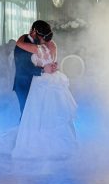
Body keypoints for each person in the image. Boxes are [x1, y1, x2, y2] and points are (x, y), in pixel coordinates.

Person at [12, 22, 77, 160]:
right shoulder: (42, 45)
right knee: (29, 114)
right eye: (42, 37)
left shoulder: (37, 45)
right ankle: (25, 140)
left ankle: (31, 143)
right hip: (25, 83)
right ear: (35, 33)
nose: (43, 40)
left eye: (45, 37)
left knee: (41, 114)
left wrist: (45, 69)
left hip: (40, 83)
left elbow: (22, 45)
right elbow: (23, 67)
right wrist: (46, 68)